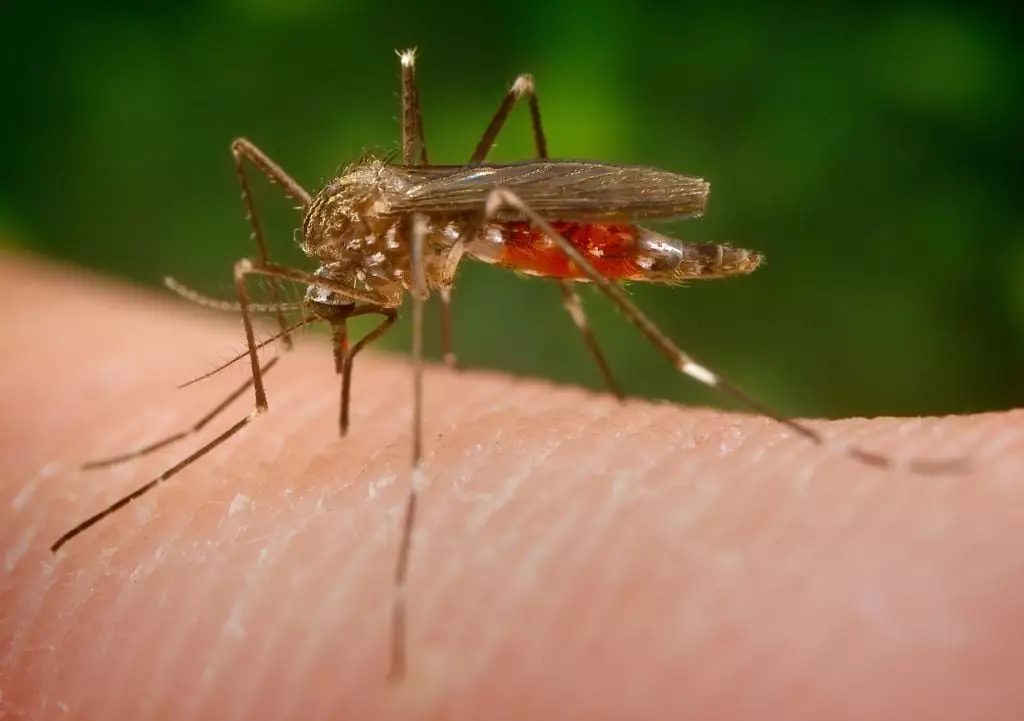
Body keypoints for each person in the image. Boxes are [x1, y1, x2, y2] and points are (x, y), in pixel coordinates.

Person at [2, 252, 1021, 719]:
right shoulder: (329, 263)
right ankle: (190, 437)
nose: (326, 316)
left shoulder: (381, 247)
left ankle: (678, 372)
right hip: (466, 220)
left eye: (324, 308)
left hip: (506, 218)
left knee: (484, 207)